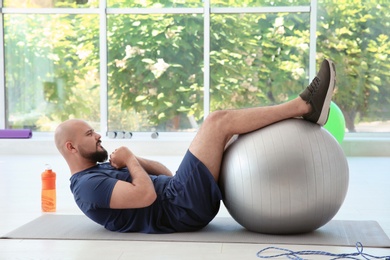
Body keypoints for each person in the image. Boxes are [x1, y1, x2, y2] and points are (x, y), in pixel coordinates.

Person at [54, 59, 336, 233]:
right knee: (217, 122)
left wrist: (133, 158)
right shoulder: (88, 186)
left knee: (225, 132)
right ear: (71, 147)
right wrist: (128, 161)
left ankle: (303, 107)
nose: (98, 136)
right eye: (89, 134)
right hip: (181, 208)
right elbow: (145, 197)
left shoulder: (98, 171)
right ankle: (304, 105)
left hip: (179, 197)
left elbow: (164, 175)